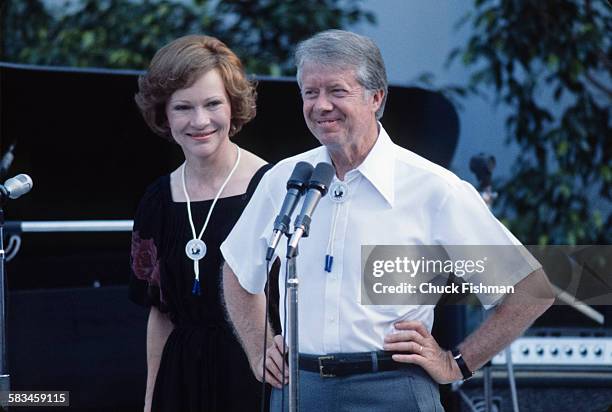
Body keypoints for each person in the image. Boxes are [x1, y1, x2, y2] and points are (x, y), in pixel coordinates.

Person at [220, 30, 555, 411]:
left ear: (376, 97)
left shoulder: (434, 188)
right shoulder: (284, 179)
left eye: (337, 91)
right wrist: (257, 345)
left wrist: (457, 363)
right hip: (299, 388)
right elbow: (236, 267)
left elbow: (529, 290)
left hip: (393, 387)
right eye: (310, 92)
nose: (321, 105)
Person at [129, 34, 269, 412]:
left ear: (233, 106)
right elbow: (160, 315)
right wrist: (149, 400)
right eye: (183, 107)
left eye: (212, 104)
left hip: (255, 379)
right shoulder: (158, 200)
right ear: (164, 113)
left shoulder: (271, 188)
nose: (200, 121)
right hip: (181, 382)